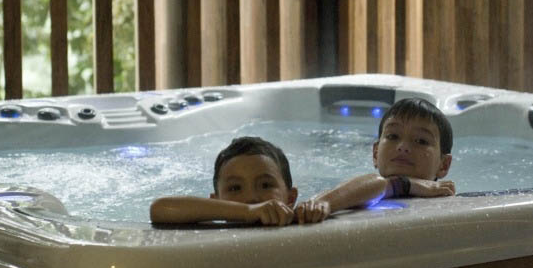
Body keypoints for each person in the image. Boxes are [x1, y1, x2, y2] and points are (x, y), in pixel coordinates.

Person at [296, 97, 456, 224]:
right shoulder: (357, 190)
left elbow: (379, 184)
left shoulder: (446, 205)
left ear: (444, 165)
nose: (403, 147)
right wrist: (406, 184)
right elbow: (377, 184)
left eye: (421, 141)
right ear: (375, 153)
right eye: (393, 136)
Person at [150, 136, 298, 226]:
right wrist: (248, 211)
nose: (251, 198)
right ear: (215, 201)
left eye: (266, 185)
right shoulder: (213, 233)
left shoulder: (302, 219)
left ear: (291, 198)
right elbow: (159, 208)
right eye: (235, 188)